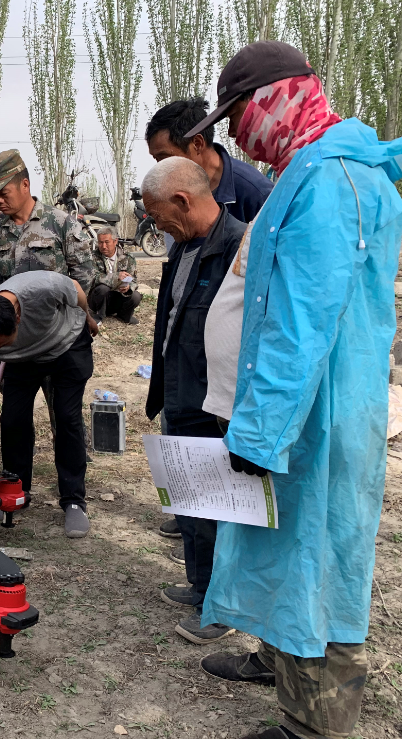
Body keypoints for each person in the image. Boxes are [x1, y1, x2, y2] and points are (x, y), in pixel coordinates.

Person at [183, 41, 402, 739]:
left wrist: (258, 430)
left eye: (240, 113)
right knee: (285, 544)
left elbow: (300, 323)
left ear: (278, 97)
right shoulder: (312, 167)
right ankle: (277, 656)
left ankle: (312, 727)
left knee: (320, 561)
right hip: (309, 406)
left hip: (320, 414)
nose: (237, 133)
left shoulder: (331, 182)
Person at [142, 156, 244, 645]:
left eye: (157, 213)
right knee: (189, 504)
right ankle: (201, 585)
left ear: (182, 201)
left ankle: (221, 606)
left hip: (214, 405)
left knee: (219, 509)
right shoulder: (183, 246)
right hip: (180, 396)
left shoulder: (238, 246)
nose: (153, 223)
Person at [0, 271, 98, 538]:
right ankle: (17, 492)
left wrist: (87, 317)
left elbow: (76, 289)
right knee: (12, 419)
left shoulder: (42, 288)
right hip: (22, 359)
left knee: (66, 417)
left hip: (68, 343)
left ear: (17, 318)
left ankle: (74, 500)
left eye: (3, 344)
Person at [145, 97, 273, 224]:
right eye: (157, 159)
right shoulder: (176, 192)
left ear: (197, 143)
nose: (160, 167)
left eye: (164, 157)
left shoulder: (256, 193)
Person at [0, 149, 96, 291]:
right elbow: (0, 281)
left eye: (4, 193)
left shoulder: (62, 223)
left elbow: (84, 278)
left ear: (25, 185)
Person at [87, 226, 141, 325]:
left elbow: (134, 280)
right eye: (100, 242)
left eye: (107, 242)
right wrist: (115, 277)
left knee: (136, 296)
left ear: (115, 241)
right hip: (98, 298)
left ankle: (124, 315)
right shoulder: (92, 257)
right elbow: (93, 278)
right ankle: (99, 316)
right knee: (102, 288)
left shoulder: (128, 257)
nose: (103, 246)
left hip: (118, 296)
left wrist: (129, 287)